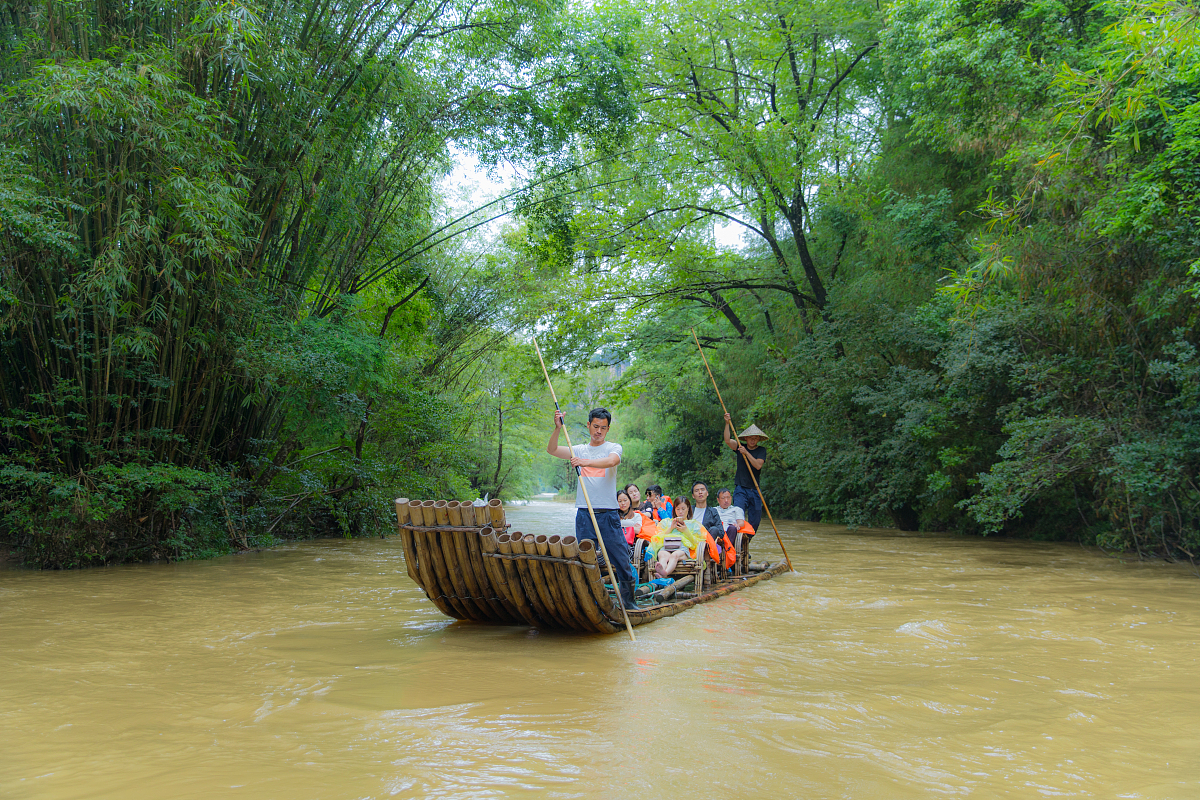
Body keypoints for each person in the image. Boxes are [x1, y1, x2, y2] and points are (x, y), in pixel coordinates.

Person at [547, 407, 635, 609]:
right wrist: (557, 428)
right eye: (595, 426)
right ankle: (591, 603)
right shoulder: (577, 449)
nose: (599, 431)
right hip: (585, 514)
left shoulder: (613, 447)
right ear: (588, 425)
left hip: (608, 515)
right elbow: (552, 450)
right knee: (586, 559)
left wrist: (584, 462)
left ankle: (629, 603)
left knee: (620, 558)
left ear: (608, 429)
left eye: (603, 428)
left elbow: (612, 461)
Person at [723, 412, 768, 531]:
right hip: (741, 489)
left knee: (755, 521)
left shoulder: (761, 451)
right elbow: (727, 440)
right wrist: (727, 423)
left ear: (758, 439)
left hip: (755, 488)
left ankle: (746, 540)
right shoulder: (739, 447)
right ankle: (736, 539)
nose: (753, 440)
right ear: (746, 438)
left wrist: (746, 453)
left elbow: (758, 466)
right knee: (738, 516)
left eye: (755, 438)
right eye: (750, 438)